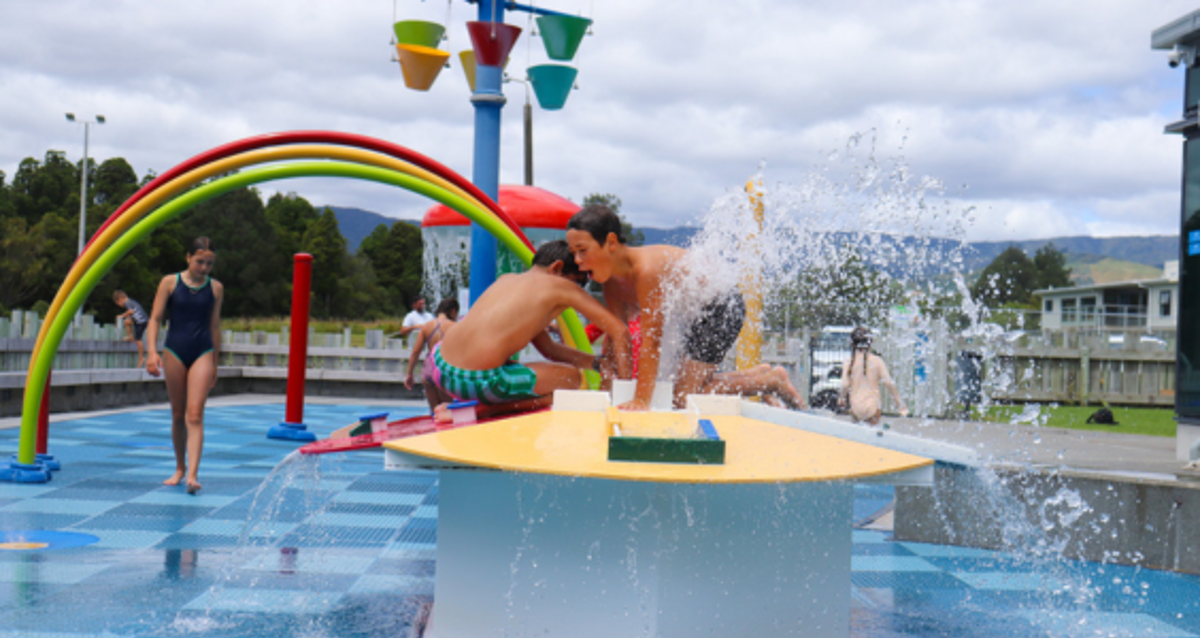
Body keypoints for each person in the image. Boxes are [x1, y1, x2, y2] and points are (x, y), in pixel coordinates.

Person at [565, 204, 805, 411]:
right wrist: (618, 387)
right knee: (674, 388)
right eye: (574, 253)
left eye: (583, 251)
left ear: (611, 242)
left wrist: (640, 400)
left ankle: (771, 381)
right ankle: (759, 375)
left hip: (720, 307)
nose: (577, 261)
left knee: (681, 398)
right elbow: (619, 337)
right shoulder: (611, 284)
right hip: (691, 315)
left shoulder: (646, 271)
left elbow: (652, 341)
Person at [427, 240, 632, 419]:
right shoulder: (559, 286)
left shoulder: (507, 279)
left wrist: (596, 363)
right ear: (557, 268)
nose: (577, 291)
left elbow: (549, 349)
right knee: (572, 379)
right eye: (578, 283)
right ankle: (482, 410)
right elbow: (619, 330)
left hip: (439, 365)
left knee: (514, 367)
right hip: (474, 381)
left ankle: (465, 405)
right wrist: (626, 393)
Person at [145, 237, 224, 494]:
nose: (204, 268)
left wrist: (215, 363)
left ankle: (192, 474)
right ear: (188, 257)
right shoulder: (170, 282)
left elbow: (214, 326)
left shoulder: (216, 288)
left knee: (195, 414)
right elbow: (155, 318)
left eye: (209, 264)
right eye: (200, 262)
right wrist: (152, 352)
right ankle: (180, 467)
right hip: (174, 351)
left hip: (203, 351)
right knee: (178, 414)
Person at [837, 327, 908, 425]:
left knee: (857, 433)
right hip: (873, 406)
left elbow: (844, 384)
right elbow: (888, 382)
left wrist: (842, 398)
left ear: (852, 343)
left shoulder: (849, 362)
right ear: (871, 342)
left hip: (856, 406)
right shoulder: (877, 361)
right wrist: (899, 403)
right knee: (871, 432)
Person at [405, 297, 460, 411]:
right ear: (453, 310)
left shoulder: (426, 326)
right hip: (443, 371)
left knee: (434, 412)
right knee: (448, 412)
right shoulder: (453, 326)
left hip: (428, 371)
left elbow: (415, 352)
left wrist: (409, 374)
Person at [113, 289, 150, 368]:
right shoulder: (131, 301)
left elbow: (131, 311)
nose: (120, 306)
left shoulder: (127, 303)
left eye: (118, 304)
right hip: (139, 320)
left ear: (120, 299)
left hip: (141, 322)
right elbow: (135, 312)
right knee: (126, 322)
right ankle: (130, 336)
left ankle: (141, 358)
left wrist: (122, 315)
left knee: (138, 340)